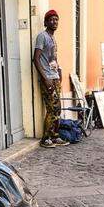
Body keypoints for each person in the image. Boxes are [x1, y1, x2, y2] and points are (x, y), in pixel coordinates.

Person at [34, 10, 69, 148]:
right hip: (47, 78)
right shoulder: (42, 36)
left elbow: (53, 59)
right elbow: (36, 59)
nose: (54, 22)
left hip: (54, 77)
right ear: (46, 22)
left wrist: (59, 72)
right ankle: (45, 139)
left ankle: (54, 136)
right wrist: (45, 78)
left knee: (57, 109)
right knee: (51, 108)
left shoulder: (53, 38)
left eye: (56, 19)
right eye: (51, 20)